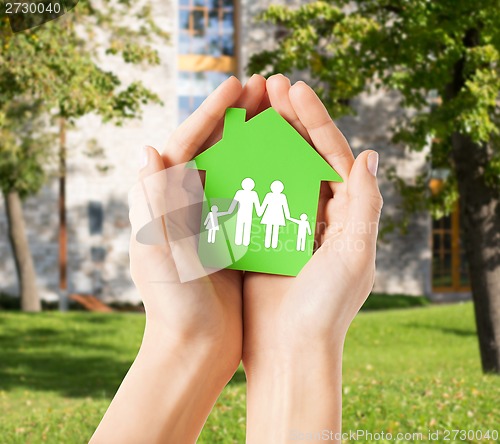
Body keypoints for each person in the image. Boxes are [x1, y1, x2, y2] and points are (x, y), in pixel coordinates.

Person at [90, 74, 382, 444]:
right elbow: (252, 204)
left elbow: (266, 205)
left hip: (271, 226)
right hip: (239, 223)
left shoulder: (269, 196)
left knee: (261, 233)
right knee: (245, 231)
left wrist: (293, 345)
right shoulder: (250, 195)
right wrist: (186, 334)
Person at [225, 177, 262, 246]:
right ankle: (241, 241)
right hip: (242, 213)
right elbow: (234, 202)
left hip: (246, 214)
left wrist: (230, 211)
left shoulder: (252, 194)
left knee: (244, 226)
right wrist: (230, 211)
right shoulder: (242, 193)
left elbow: (257, 204)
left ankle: (243, 242)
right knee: (242, 226)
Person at [259, 180, 290, 249]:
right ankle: (267, 244)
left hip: (278, 215)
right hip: (269, 214)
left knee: (275, 230)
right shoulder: (269, 195)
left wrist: (287, 216)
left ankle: (274, 244)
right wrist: (260, 212)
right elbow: (264, 204)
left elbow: (285, 206)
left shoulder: (282, 196)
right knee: (269, 229)